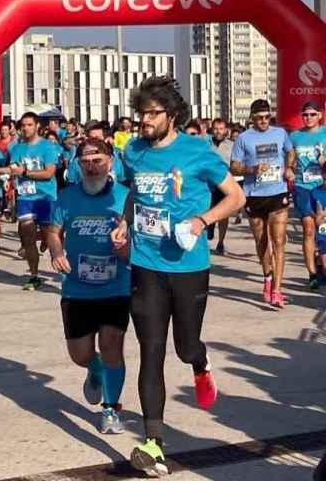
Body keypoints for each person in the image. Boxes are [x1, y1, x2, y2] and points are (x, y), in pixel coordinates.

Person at [111, 77, 245, 477]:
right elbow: (135, 191)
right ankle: (153, 443)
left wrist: (202, 220)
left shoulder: (197, 152)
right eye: (141, 114)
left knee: (185, 346)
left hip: (188, 269)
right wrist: (123, 223)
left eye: (152, 114)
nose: (144, 122)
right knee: (151, 349)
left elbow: (236, 197)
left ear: (172, 115)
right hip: (147, 265)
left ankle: (200, 365)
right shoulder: (134, 151)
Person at [48, 138, 130, 435]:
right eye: (85, 162)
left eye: (98, 161)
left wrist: (125, 247)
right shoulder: (66, 198)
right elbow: (54, 232)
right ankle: (94, 369)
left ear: (110, 162)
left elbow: (135, 239)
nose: (92, 167)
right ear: (77, 165)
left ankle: (111, 409)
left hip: (116, 286)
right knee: (80, 355)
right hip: (76, 288)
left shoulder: (124, 197)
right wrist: (57, 252)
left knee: (112, 346)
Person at [230, 98, 293, 308]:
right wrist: (252, 170)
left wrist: (289, 167)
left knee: (279, 241)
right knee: (262, 241)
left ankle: (277, 290)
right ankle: (267, 277)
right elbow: (234, 167)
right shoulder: (243, 139)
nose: (264, 121)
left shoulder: (280, 133)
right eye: (259, 118)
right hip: (254, 195)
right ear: (252, 118)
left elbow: (290, 152)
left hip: (278, 192)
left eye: (267, 117)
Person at [4, 112, 59, 291]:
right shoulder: (16, 149)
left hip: (45, 197)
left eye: (29, 125)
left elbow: (49, 172)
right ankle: (34, 275)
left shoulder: (47, 147)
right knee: (27, 237)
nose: (26, 128)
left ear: (37, 126)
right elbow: (13, 170)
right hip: (25, 197)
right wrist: (2, 172)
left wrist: (25, 172)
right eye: (23, 125)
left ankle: (62, 272)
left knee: (50, 237)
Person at [288, 101, 326, 289]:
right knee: (308, 228)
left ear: (320, 115)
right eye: (305, 115)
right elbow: (289, 161)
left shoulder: (325, 133)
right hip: (302, 187)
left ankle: (322, 265)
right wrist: (288, 169)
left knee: (323, 230)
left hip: (322, 186)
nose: (308, 118)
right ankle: (311, 274)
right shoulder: (295, 137)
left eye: (312, 114)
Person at [208, 119, 235, 255]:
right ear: (212, 129)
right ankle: (210, 227)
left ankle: (221, 241)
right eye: (216, 128)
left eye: (221, 128)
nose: (219, 131)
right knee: (207, 208)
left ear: (226, 130)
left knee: (224, 215)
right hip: (208, 184)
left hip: (225, 184)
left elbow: (235, 164)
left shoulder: (232, 145)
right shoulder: (206, 144)